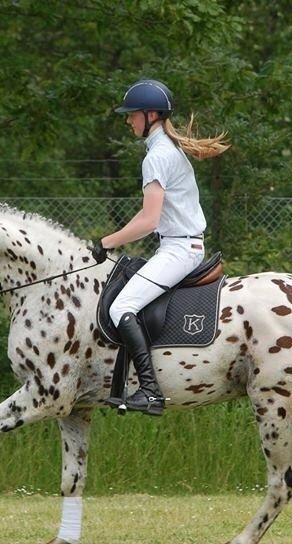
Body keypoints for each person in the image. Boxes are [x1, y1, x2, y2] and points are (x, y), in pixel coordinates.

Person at [91, 79, 229, 415]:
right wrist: (113, 239)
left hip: (179, 250)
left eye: (132, 115)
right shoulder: (167, 149)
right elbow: (148, 213)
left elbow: (149, 220)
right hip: (179, 246)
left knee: (120, 306)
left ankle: (150, 390)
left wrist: (105, 242)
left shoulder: (157, 156)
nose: (128, 121)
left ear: (150, 114)